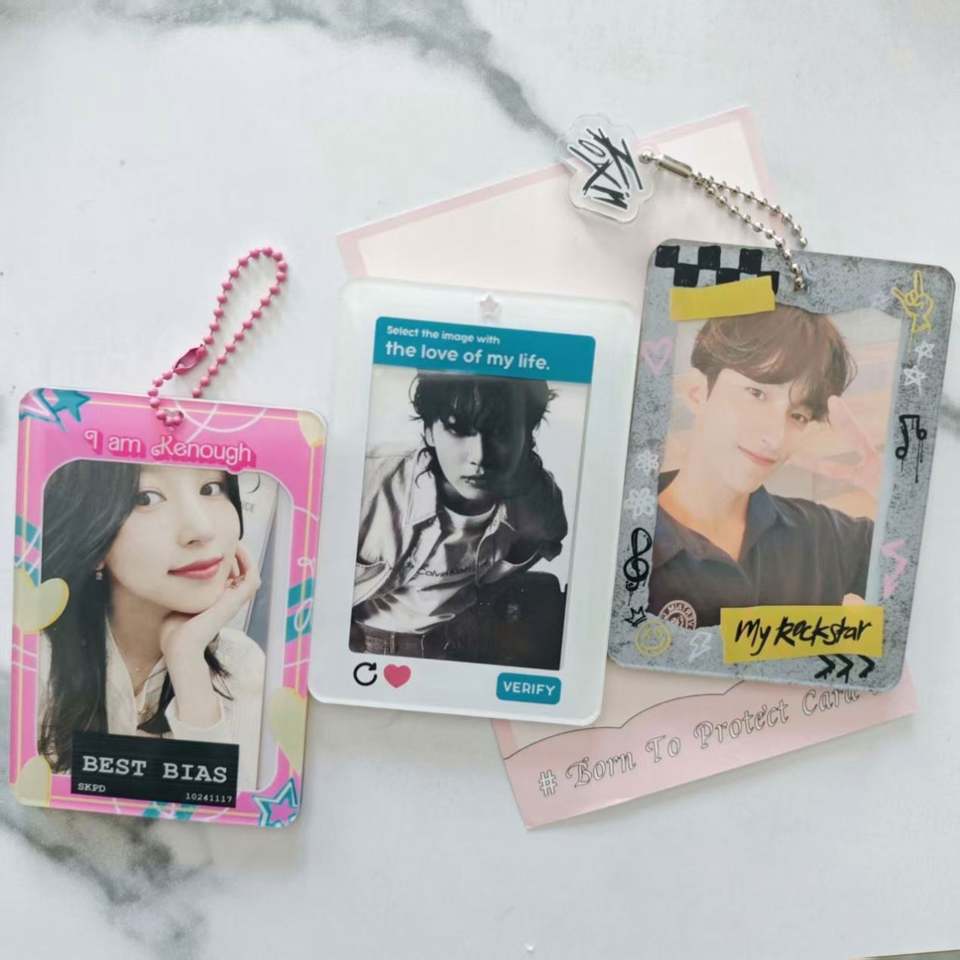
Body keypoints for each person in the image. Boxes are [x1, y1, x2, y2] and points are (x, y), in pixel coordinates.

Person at [648, 304, 879, 629]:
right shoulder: (623, 538)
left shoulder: (823, 537)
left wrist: (894, 495)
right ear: (698, 393)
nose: (775, 436)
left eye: (798, 415)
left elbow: (931, 591)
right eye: (756, 393)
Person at [38, 461, 265, 790]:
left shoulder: (243, 664)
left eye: (211, 488)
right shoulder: (35, 659)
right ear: (92, 535)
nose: (201, 529)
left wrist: (187, 660)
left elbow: (227, 807)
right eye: (146, 498)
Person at [351, 372, 568, 665]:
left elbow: (543, 542)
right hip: (365, 648)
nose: (479, 456)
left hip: (460, 646)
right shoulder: (369, 482)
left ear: (527, 435)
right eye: (458, 430)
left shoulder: (539, 501)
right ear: (429, 431)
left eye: (501, 431)